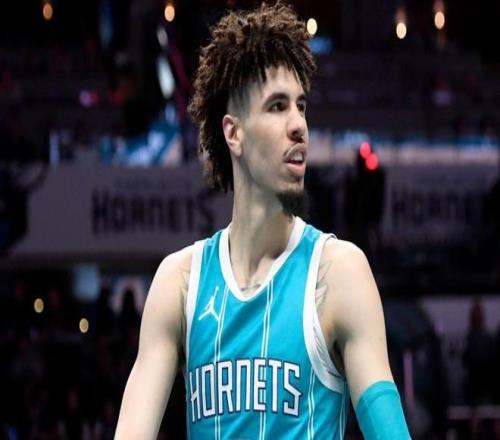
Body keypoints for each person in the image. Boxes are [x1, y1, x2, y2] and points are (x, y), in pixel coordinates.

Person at [115, 3, 411, 439]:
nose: (299, 126)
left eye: (301, 107)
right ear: (233, 133)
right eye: (277, 106)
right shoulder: (179, 284)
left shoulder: (338, 273)